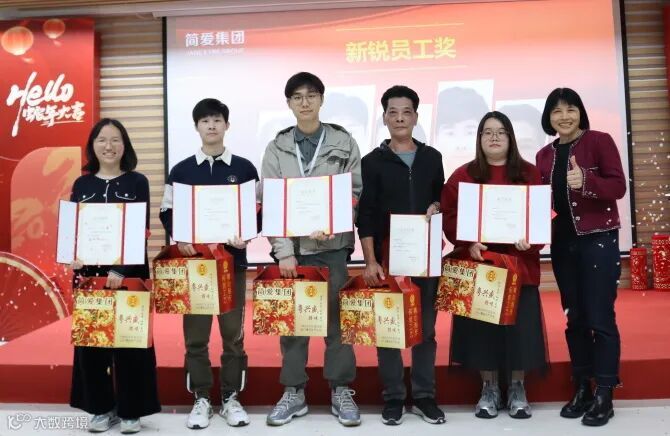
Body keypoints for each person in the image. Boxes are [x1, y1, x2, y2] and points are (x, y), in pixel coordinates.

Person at [261, 72, 362, 427]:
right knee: (292, 324)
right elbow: (270, 202)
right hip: (294, 253)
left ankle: (341, 389)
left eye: (311, 95)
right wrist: (283, 251)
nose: (305, 102)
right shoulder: (277, 147)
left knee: (338, 322)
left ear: (321, 99)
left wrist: (336, 223)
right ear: (289, 103)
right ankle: (294, 392)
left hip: (332, 247)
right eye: (297, 97)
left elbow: (355, 192)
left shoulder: (343, 142)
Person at [159, 98, 258, 429]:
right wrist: (179, 238)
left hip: (232, 265)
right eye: (205, 121)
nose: (211, 125)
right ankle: (201, 397)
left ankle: (231, 397)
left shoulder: (244, 168)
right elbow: (167, 210)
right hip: (195, 267)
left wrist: (247, 234)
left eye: (217, 120)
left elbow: (257, 210)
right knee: (196, 337)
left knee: (233, 337)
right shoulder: (181, 171)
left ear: (227, 125)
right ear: (196, 127)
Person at [441, 111, 548, 419]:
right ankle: (488, 388)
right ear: (479, 139)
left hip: (519, 265)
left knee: (520, 331)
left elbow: (541, 215)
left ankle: (517, 387)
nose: (494, 137)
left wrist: (531, 241)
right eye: (487, 132)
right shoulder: (463, 175)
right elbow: (450, 215)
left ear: (510, 138)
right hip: (480, 265)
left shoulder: (529, 173)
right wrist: (467, 243)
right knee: (481, 332)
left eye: (501, 132)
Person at [536, 88, 626, 427]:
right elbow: (540, 204)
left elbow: (618, 187)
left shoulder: (600, 141)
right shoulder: (543, 155)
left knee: (600, 317)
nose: (564, 117)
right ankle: (582, 388)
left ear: (580, 112)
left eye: (570, 109)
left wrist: (586, 180)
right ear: (549, 117)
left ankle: (605, 392)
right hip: (563, 245)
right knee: (574, 319)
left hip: (598, 241)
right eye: (557, 111)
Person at [356, 85, 445, 425]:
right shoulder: (371, 162)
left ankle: (424, 396)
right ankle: (393, 396)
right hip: (387, 259)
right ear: (384, 118)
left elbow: (441, 201)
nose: (399, 118)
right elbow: (365, 215)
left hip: (425, 258)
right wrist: (370, 261)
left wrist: (437, 206)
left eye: (406, 112)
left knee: (426, 330)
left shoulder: (432, 158)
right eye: (392, 112)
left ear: (416, 117)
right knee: (388, 329)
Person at [68, 118, 160, 434]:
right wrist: (73, 257)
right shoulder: (82, 185)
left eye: (116, 139)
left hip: (128, 275)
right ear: (92, 146)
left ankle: (132, 410)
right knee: (92, 347)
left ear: (125, 145)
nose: (109, 146)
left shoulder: (137, 182)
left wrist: (121, 269)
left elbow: (140, 230)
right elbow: (75, 231)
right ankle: (100, 408)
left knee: (130, 345)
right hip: (90, 278)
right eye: (102, 140)